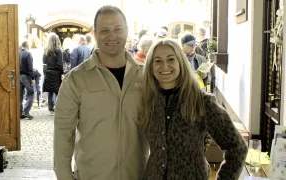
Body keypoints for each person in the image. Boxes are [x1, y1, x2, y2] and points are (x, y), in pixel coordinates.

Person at [53, 5, 149, 180]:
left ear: (127, 31)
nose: (112, 36)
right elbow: (63, 133)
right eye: (104, 30)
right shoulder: (75, 79)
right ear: (96, 34)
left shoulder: (146, 77)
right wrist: (64, 175)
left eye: (118, 29)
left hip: (137, 175)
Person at [140, 38, 248, 179]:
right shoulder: (148, 100)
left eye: (171, 59)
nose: (164, 66)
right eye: (158, 61)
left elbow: (237, 147)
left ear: (181, 63)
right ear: (150, 66)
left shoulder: (202, 101)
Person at [43, 33, 64, 116]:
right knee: (57, 91)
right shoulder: (58, 51)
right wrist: (62, 72)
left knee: (50, 91)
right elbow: (60, 64)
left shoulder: (46, 50)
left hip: (48, 73)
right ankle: (57, 107)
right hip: (56, 73)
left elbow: (44, 61)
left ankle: (50, 109)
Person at [19, 40, 34, 120]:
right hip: (26, 76)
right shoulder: (28, 54)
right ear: (27, 45)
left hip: (18, 76)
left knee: (20, 95)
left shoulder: (18, 53)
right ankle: (26, 111)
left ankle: (20, 112)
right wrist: (32, 78)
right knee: (31, 92)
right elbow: (30, 67)